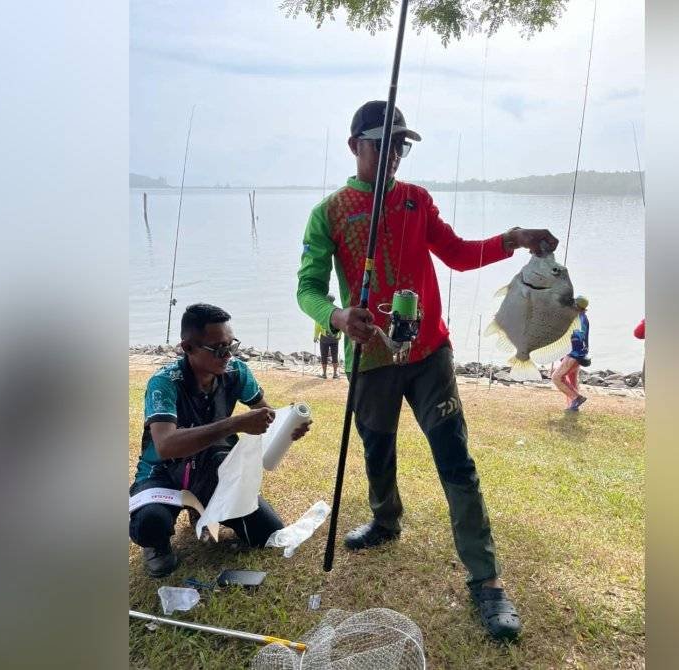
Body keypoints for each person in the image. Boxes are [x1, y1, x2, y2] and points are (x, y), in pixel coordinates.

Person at [296, 100, 558, 641]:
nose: (393, 154)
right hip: (368, 357)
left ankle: (486, 580)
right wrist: (339, 316)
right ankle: (385, 518)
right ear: (354, 147)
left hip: (429, 354)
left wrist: (513, 239)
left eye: (400, 144)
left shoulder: (417, 200)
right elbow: (308, 287)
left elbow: (458, 254)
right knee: (377, 447)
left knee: (455, 460)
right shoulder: (330, 212)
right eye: (381, 143)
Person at [129, 303, 310, 578]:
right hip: (163, 472)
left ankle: (204, 506)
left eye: (231, 345)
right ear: (187, 347)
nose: (228, 355)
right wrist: (235, 423)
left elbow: (268, 415)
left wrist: (288, 427)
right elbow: (165, 445)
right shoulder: (164, 382)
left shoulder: (236, 371)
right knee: (149, 523)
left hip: (214, 468)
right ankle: (158, 543)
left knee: (268, 532)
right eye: (218, 349)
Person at [550, 296, 591, 412]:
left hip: (574, 355)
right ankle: (572, 405)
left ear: (577, 306)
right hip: (576, 354)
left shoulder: (579, 319)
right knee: (571, 380)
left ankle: (576, 398)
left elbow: (577, 338)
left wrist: (571, 356)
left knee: (556, 377)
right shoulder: (579, 317)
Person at [313, 294, 342, 379]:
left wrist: (315, 336)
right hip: (334, 337)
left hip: (324, 337)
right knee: (334, 355)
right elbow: (340, 324)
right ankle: (335, 374)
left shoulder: (321, 310)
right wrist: (339, 335)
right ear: (333, 301)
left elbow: (317, 325)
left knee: (324, 355)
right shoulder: (338, 310)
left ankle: (324, 374)